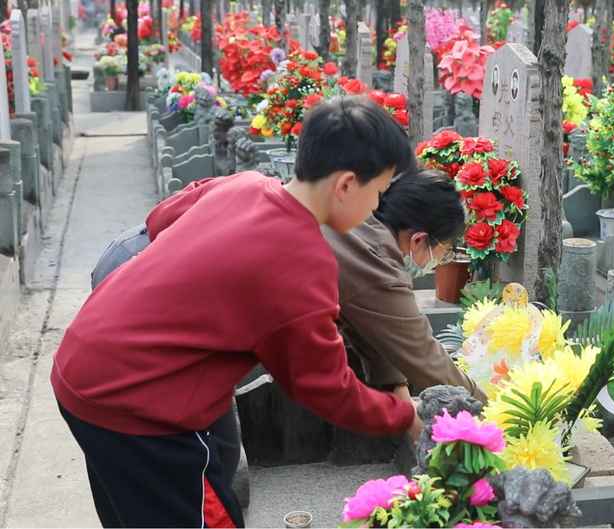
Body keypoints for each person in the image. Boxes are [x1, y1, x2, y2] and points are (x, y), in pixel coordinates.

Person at [51, 97, 422, 528]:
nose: (376, 209)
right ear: (345, 185)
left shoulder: (245, 184)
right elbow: (325, 388)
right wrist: (404, 414)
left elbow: (161, 220)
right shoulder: (301, 262)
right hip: (137, 402)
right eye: (377, 193)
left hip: (81, 363)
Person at [323, 170, 486, 404]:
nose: (441, 261)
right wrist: (490, 408)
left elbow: (373, 326)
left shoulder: (360, 226)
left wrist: (394, 381)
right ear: (419, 240)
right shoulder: (377, 264)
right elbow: (425, 357)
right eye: (445, 250)